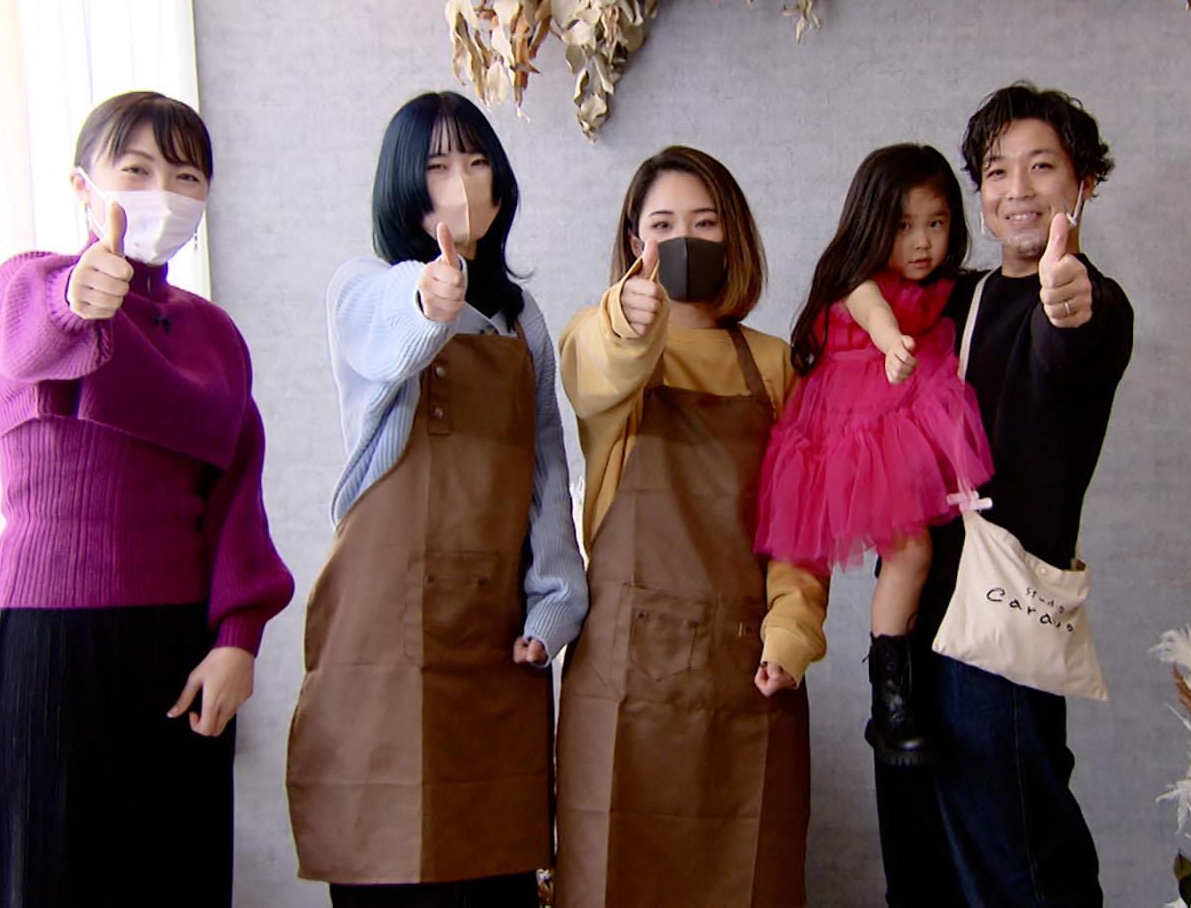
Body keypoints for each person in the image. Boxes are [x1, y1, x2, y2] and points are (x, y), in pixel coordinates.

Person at [0, 91, 295, 907]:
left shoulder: (213, 335)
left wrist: (239, 640)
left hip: (176, 651)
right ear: (84, 188)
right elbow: (33, 337)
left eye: (186, 178)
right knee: (46, 880)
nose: (163, 195)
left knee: (177, 883)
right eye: (137, 171)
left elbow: (237, 497)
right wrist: (79, 298)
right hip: (44, 644)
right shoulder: (30, 284)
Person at [286, 92, 588, 907]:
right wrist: (429, 301)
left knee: (495, 877)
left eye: (477, 161)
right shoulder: (363, 288)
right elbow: (392, 327)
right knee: (385, 867)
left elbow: (547, 468)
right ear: (402, 185)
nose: (461, 180)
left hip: (495, 641)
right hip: (383, 641)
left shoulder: (521, 319)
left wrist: (556, 602)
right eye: (437, 164)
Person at [873, 84, 1134, 907]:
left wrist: (1068, 301)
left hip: (1002, 620)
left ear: (1084, 182)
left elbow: (1069, 346)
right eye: (996, 171)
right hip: (915, 612)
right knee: (923, 856)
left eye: (1041, 167)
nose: (1016, 189)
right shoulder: (962, 296)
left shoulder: (1091, 300)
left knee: (1017, 853)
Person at [555, 145, 828, 908]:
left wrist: (793, 633)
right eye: (662, 225)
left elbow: (801, 527)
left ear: (733, 237)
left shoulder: (776, 366)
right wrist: (626, 316)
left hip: (747, 675)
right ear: (633, 243)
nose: (684, 241)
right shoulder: (603, 345)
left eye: (705, 224)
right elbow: (597, 365)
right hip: (622, 680)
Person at [755, 143, 991, 766]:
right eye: (903, 226)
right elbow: (876, 313)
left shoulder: (941, 291)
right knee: (911, 551)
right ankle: (890, 699)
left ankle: (901, 684)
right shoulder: (856, 283)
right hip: (859, 427)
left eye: (936, 223)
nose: (922, 242)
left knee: (917, 556)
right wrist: (891, 345)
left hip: (897, 415)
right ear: (871, 224)